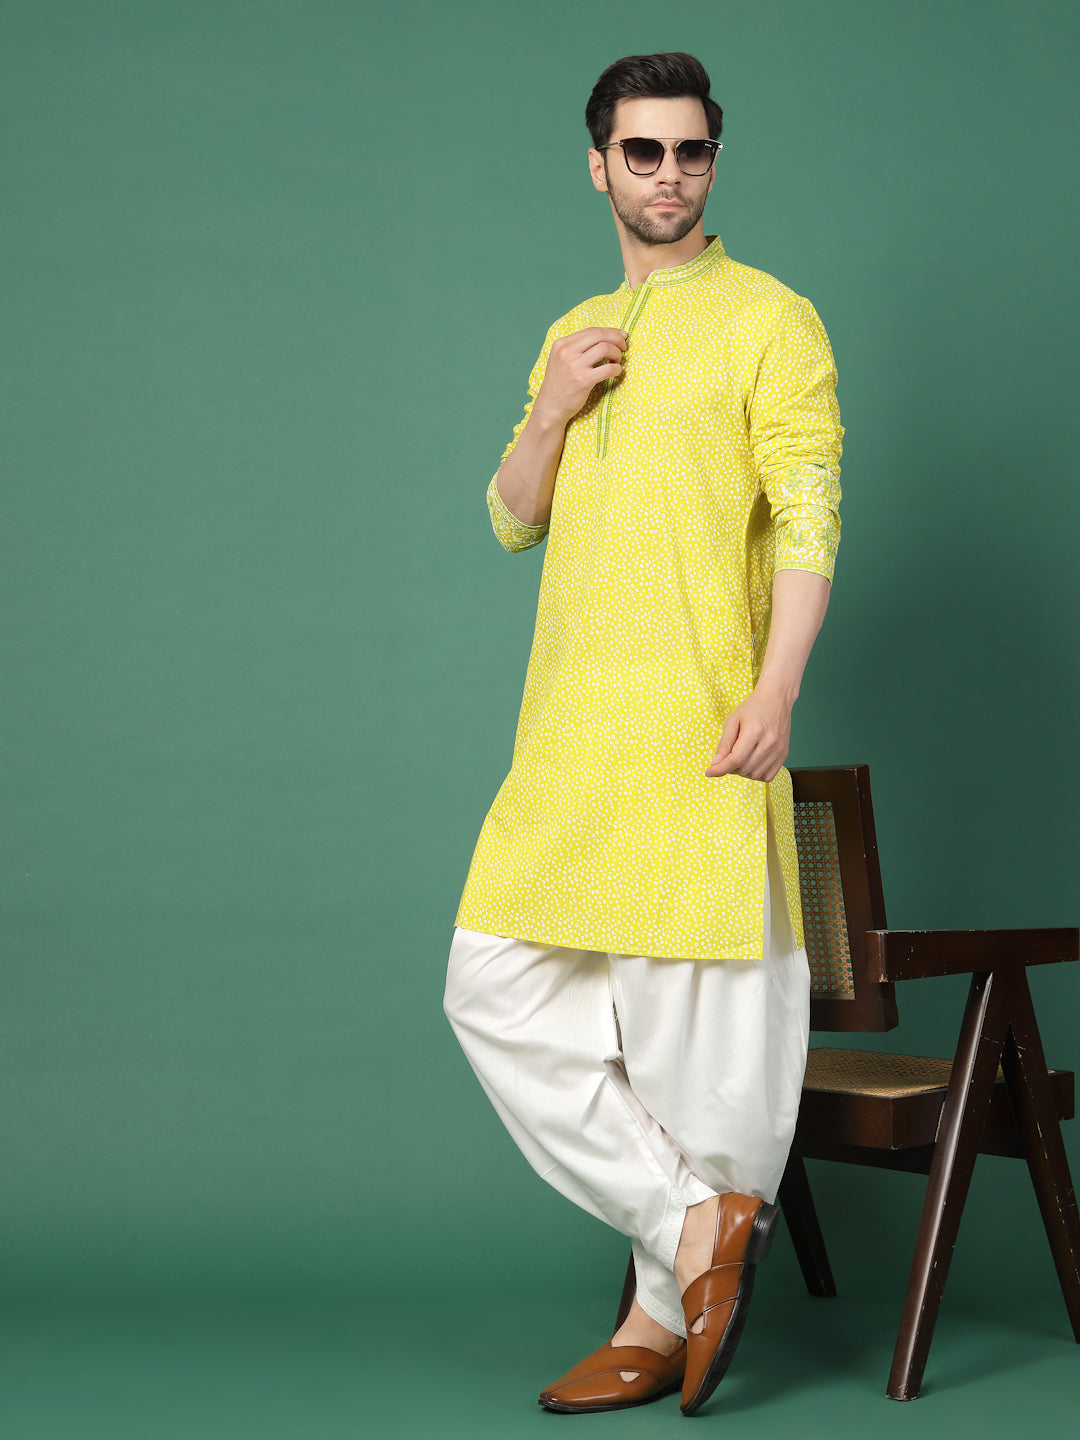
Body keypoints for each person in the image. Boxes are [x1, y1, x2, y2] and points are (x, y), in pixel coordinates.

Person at [443, 51, 843, 1416]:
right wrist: (553, 404)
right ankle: (694, 1227)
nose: (668, 173)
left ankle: (659, 1309)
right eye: (642, 150)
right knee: (490, 989)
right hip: (568, 745)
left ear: (713, 162)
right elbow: (512, 516)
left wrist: (777, 689)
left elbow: (810, 517)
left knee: (696, 1063)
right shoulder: (574, 329)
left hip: (698, 737)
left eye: (690, 151)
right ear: (599, 165)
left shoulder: (773, 320)